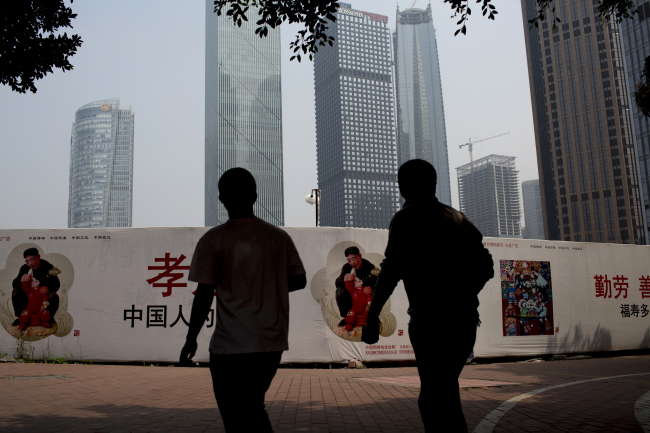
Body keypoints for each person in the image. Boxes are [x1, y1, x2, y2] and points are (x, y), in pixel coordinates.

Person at [362, 159, 494, 433]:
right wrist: (467, 294)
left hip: (429, 322)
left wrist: (372, 316)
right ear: (434, 184)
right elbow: (486, 266)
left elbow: (390, 271)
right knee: (444, 390)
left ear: (402, 187)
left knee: (434, 396)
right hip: (465, 321)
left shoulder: (406, 218)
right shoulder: (459, 218)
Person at [179, 167, 306, 433]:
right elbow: (299, 280)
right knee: (252, 407)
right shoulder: (278, 238)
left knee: (236, 415)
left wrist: (191, 338)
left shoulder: (213, 240)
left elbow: (204, 294)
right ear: (255, 196)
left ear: (222, 198)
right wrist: (268, 285)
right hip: (270, 343)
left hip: (230, 347)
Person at [12, 248, 60, 326]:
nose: (30, 263)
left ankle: (49, 317)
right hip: (29, 298)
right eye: (27, 261)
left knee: (53, 295)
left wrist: (48, 288)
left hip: (42, 298)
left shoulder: (47, 266)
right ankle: (20, 317)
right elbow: (14, 284)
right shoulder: (24, 268)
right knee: (16, 291)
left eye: (32, 259)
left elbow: (56, 283)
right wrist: (20, 279)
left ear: (38, 257)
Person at [334, 247, 376, 326]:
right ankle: (346, 317)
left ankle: (371, 316)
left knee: (376, 294)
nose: (352, 262)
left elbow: (379, 282)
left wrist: (371, 288)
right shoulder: (346, 267)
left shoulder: (369, 266)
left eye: (354, 258)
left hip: (365, 297)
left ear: (360, 256)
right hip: (352, 296)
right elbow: (337, 283)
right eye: (349, 260)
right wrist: (343, 278)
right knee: (339, 291)